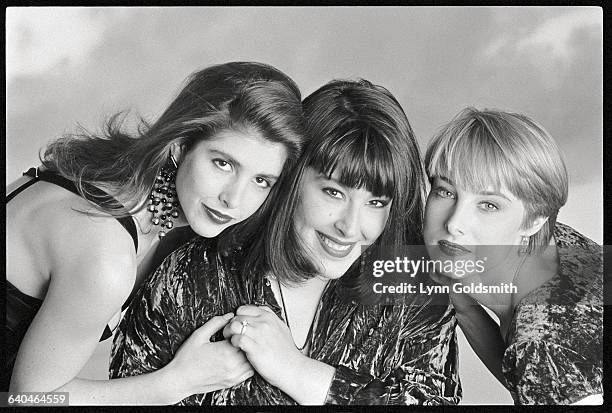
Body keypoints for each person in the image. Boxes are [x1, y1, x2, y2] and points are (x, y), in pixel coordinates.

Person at [110, 79, 462, 405]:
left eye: (375, 203)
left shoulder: (414, 292)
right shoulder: (191, 277)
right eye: (333, 192)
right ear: (290, 179)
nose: (350, 227)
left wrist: (299, 372)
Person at [5, 61, 307, 404]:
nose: (234, 199)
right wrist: (175, 383)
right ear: (179, 146)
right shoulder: (105, 253)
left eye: (261, 181)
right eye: (223, 163)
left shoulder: (109, 178)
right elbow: (28, 400)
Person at [422, 107, 603, 405]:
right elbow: (524, 377)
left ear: (535, 220)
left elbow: (538, 365)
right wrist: (464, 306)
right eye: (445, 191)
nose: (454, 223)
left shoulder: (545, 349)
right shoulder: (557, 242)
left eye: (489, 205)